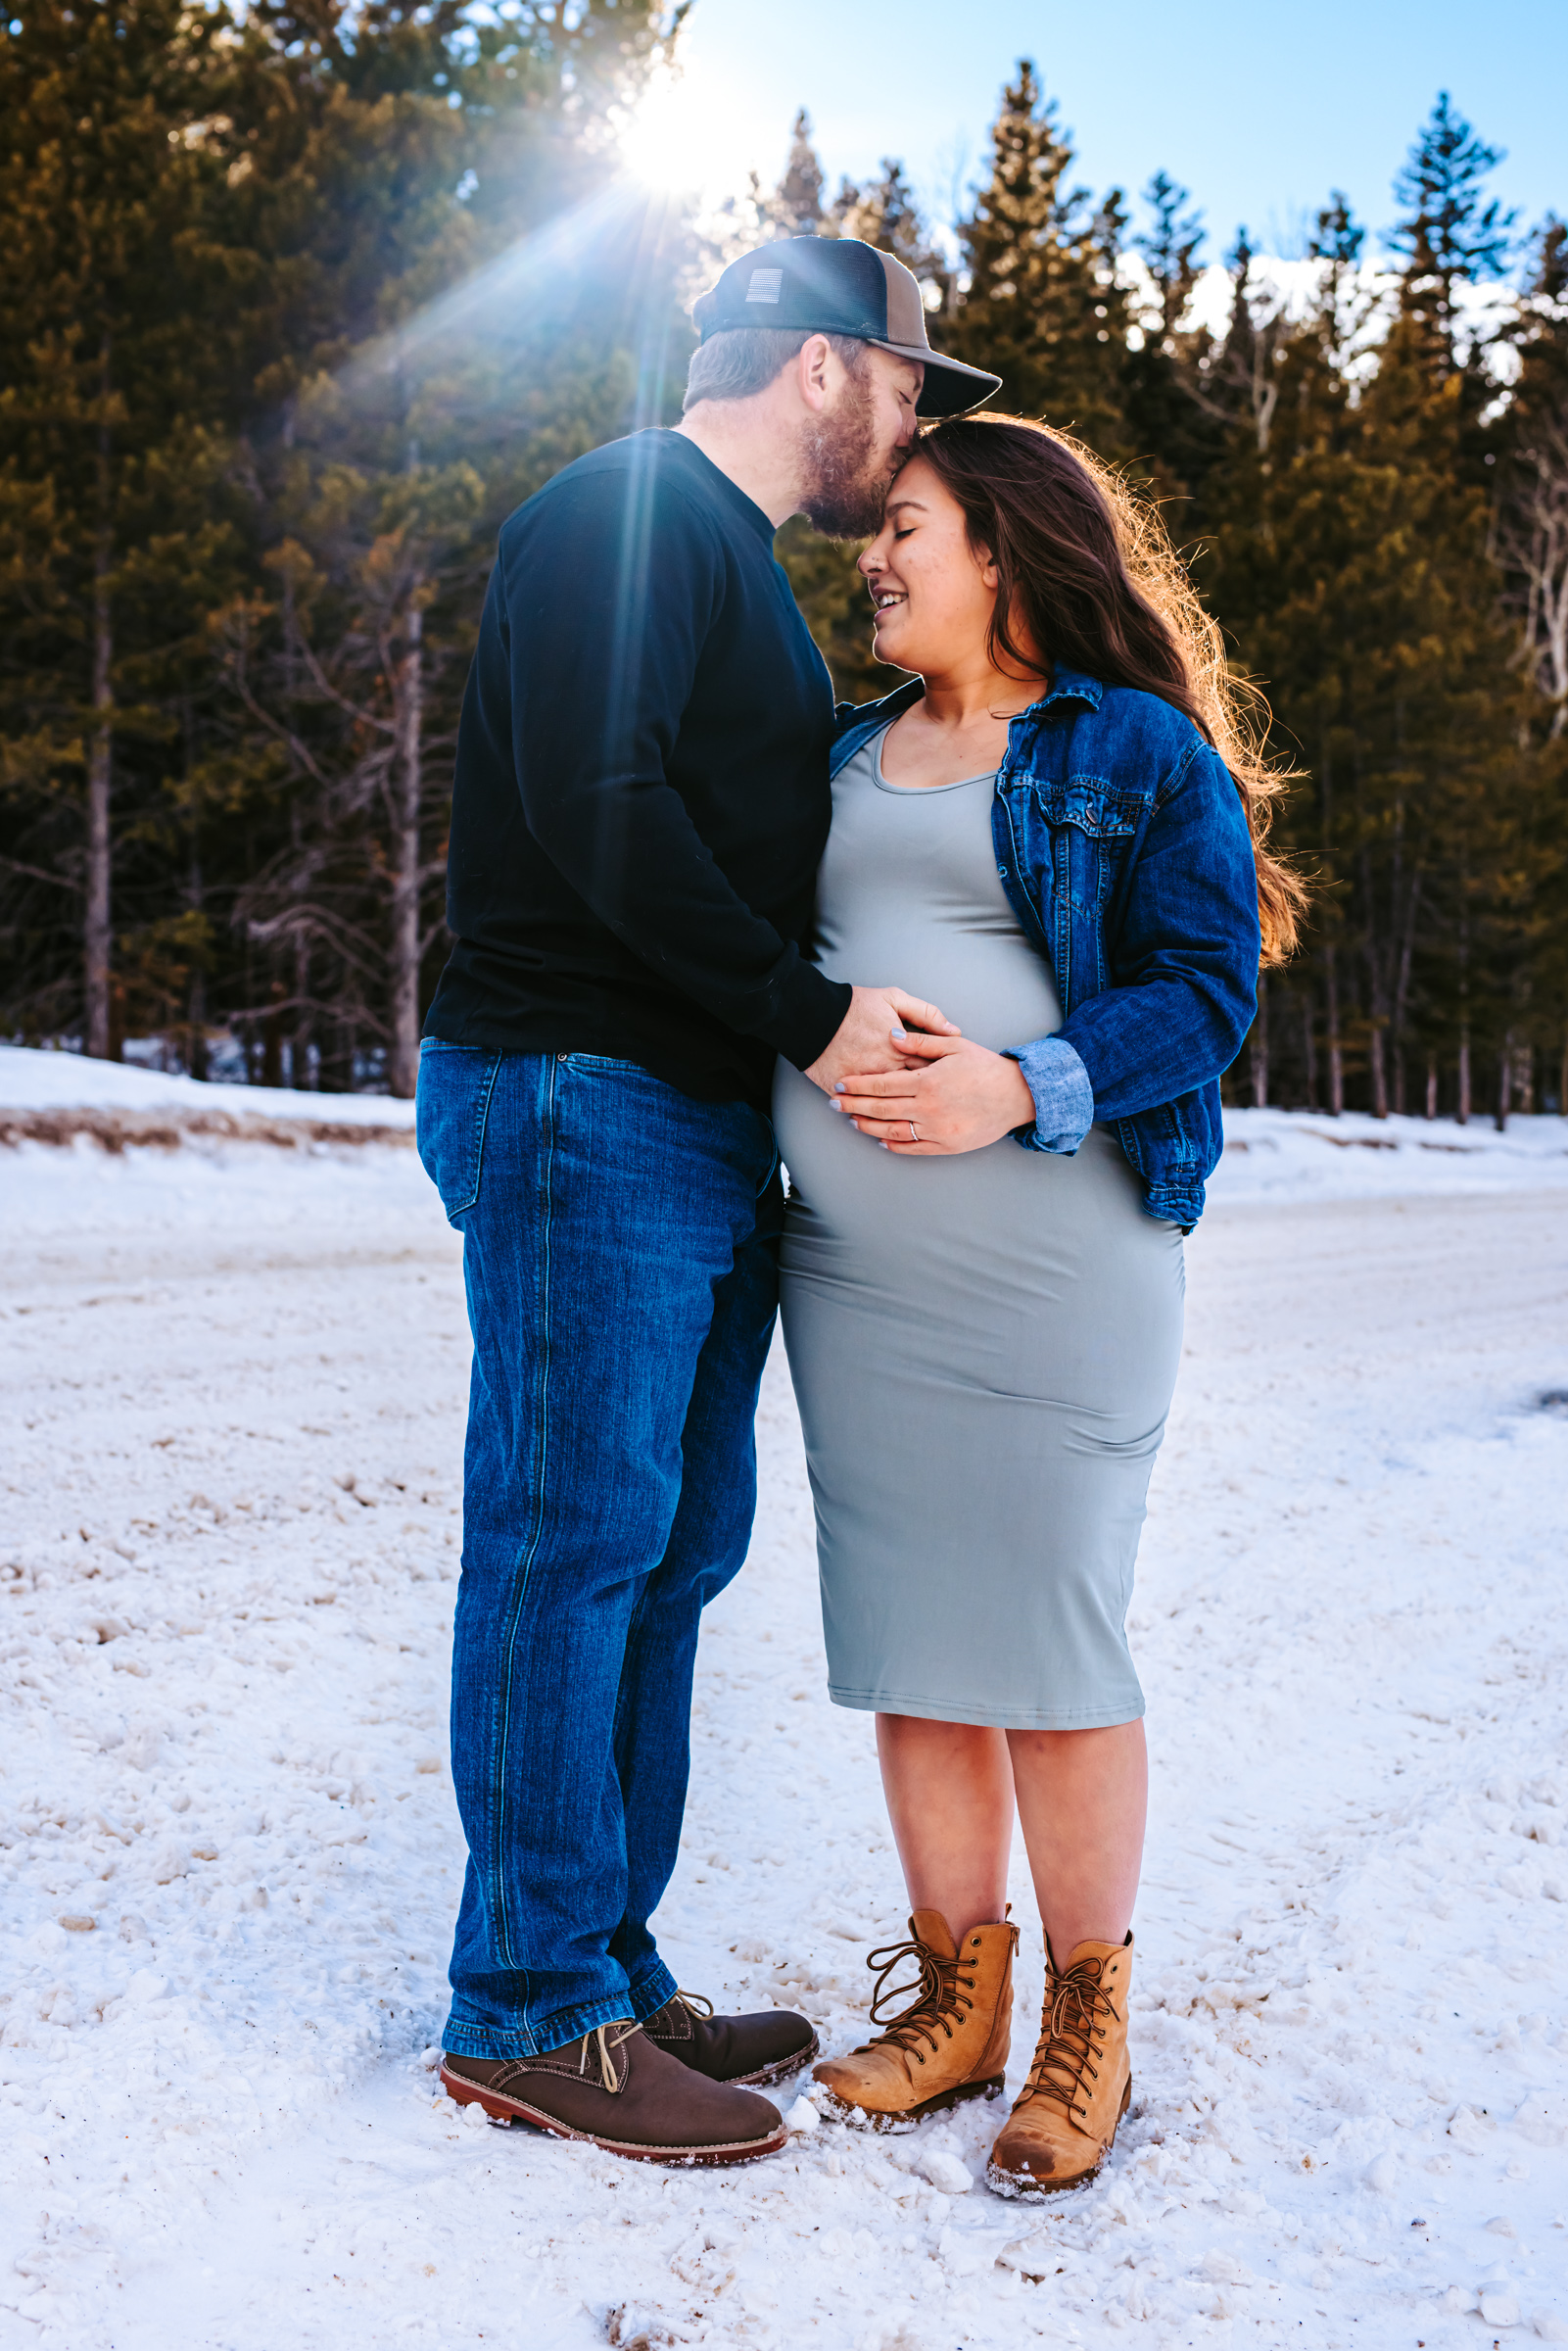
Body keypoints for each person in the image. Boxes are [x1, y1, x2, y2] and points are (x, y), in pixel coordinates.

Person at [413, 237, 1000, 2167]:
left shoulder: (721, 562)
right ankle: (526, 2009)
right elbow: (601, 804)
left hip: (683, 1108)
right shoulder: (628, 510)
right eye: (909, 385)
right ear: (828, 369)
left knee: (666, 1557)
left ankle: (603, 1961)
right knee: (571, 1542)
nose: (911, 425)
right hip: (583, 1087)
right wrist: (811, 1019)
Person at [773, 414, 1305, 2194]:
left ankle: (1088, 2013)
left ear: (1001, 547)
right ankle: (954, 2001)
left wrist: (1021, 1085)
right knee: (917, 1637)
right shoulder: (835, 754)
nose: (873, 553)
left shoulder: (1129, 747)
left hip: (1056, 1257)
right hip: (850, 1277)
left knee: (1051, 1637)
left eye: (903, 524)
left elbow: (1203, 987)